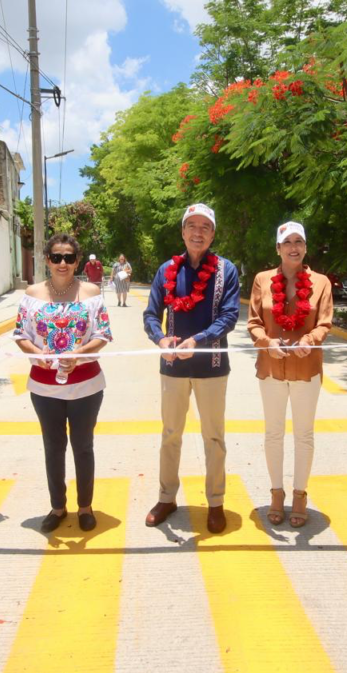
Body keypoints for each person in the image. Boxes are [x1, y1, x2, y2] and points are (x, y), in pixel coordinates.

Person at [143, 203, 241, 533]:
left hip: (212, 366)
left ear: (213, 234)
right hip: (172, 367)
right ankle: (166, 497)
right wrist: (160, 340)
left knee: (214, 437)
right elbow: (150, 315)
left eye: (205, 227)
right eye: (192, 226)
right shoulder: (166, 269)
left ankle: (215, 501)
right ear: (183, 231)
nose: (198, 232)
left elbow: (229, 316)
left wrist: (197, 340)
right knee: (170, 434)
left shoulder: (226, 270)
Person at [14, 234, 112, 532]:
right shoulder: (32, 293)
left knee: (83, 446)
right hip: (44, 387)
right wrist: (37, 353)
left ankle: (85, 506)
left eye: (69, 257)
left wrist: (78, 354)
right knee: (53, 447)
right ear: (47, 259)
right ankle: (58, 507)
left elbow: (103, 334)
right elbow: (20, 335)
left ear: (77, 261)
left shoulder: (91, 291)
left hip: (86, 384)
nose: (62, 263)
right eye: (56, 257)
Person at [247, 222, 333, 527]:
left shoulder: (321, 282)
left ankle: (299, 495)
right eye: (287, 242)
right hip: (271, 367)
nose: (294, 247)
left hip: (306, 368)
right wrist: (267, 343)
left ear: (306, 247)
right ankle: (276, 493)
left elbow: (324, 323)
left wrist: (309, 341)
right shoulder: (262, 280)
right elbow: (254, 322)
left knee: (303, 434)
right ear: (278, 248)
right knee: (273, 433)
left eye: (299, 241)